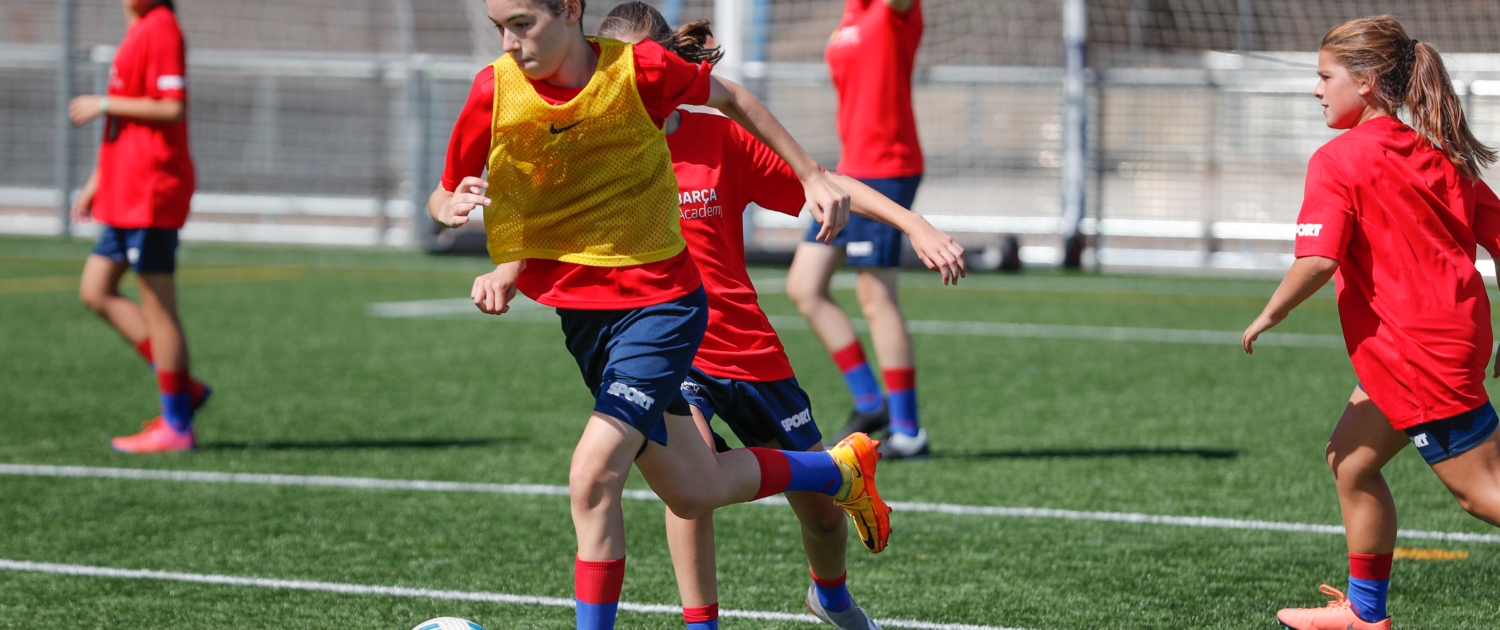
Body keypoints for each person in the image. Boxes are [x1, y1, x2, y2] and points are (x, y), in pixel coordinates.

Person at [428, 2, 890, 629]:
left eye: (522, 23)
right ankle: (835, 469)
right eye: (498, 27)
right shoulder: (496, 89)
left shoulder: (638, 74)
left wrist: (812, 174)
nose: (509, 42)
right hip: (589, 322)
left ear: (570, 11)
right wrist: (452, 206)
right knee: (692, 489)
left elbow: (732, 98)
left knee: (593, 476)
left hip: (660, 308)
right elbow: (454, 188)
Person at [593, 6, 964, 629]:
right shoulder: (597, 153)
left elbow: (824, 182)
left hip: (748, 350)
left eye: (643, 67)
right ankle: (701, 623)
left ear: (667, 66)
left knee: (820, 515)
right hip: (667, 350)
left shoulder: (718, 138)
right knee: (691, 482)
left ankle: (832, 595)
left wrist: (913, 222)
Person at [1242, 16, 1500, 630]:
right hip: (1424, 345)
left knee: (1481, 493)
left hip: (1415, 352)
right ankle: (1364, 614)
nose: (1316, 90)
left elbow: (1319, 258)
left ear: (1369, 81)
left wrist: (1269, 313)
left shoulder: (1339, 160)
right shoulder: (1438, 152)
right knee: (1350, 460)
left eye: (1325, 76)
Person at [786, 0, 929, 459]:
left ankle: (908, 430)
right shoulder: (851, 12)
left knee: (876, 294)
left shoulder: (892, 10)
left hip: (888, 169)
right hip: (849, 173)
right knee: (805, 287)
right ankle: (871, 403)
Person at [68, 0, 210, 454]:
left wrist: (102, 102)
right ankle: (181, 387)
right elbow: (125, 127)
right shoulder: (139, 28)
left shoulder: (162, 26)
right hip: (123, 190)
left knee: (158, 306)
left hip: (150, 192)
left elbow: (171, 108)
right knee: (95, 289)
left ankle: (176, 425)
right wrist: (97, 180)